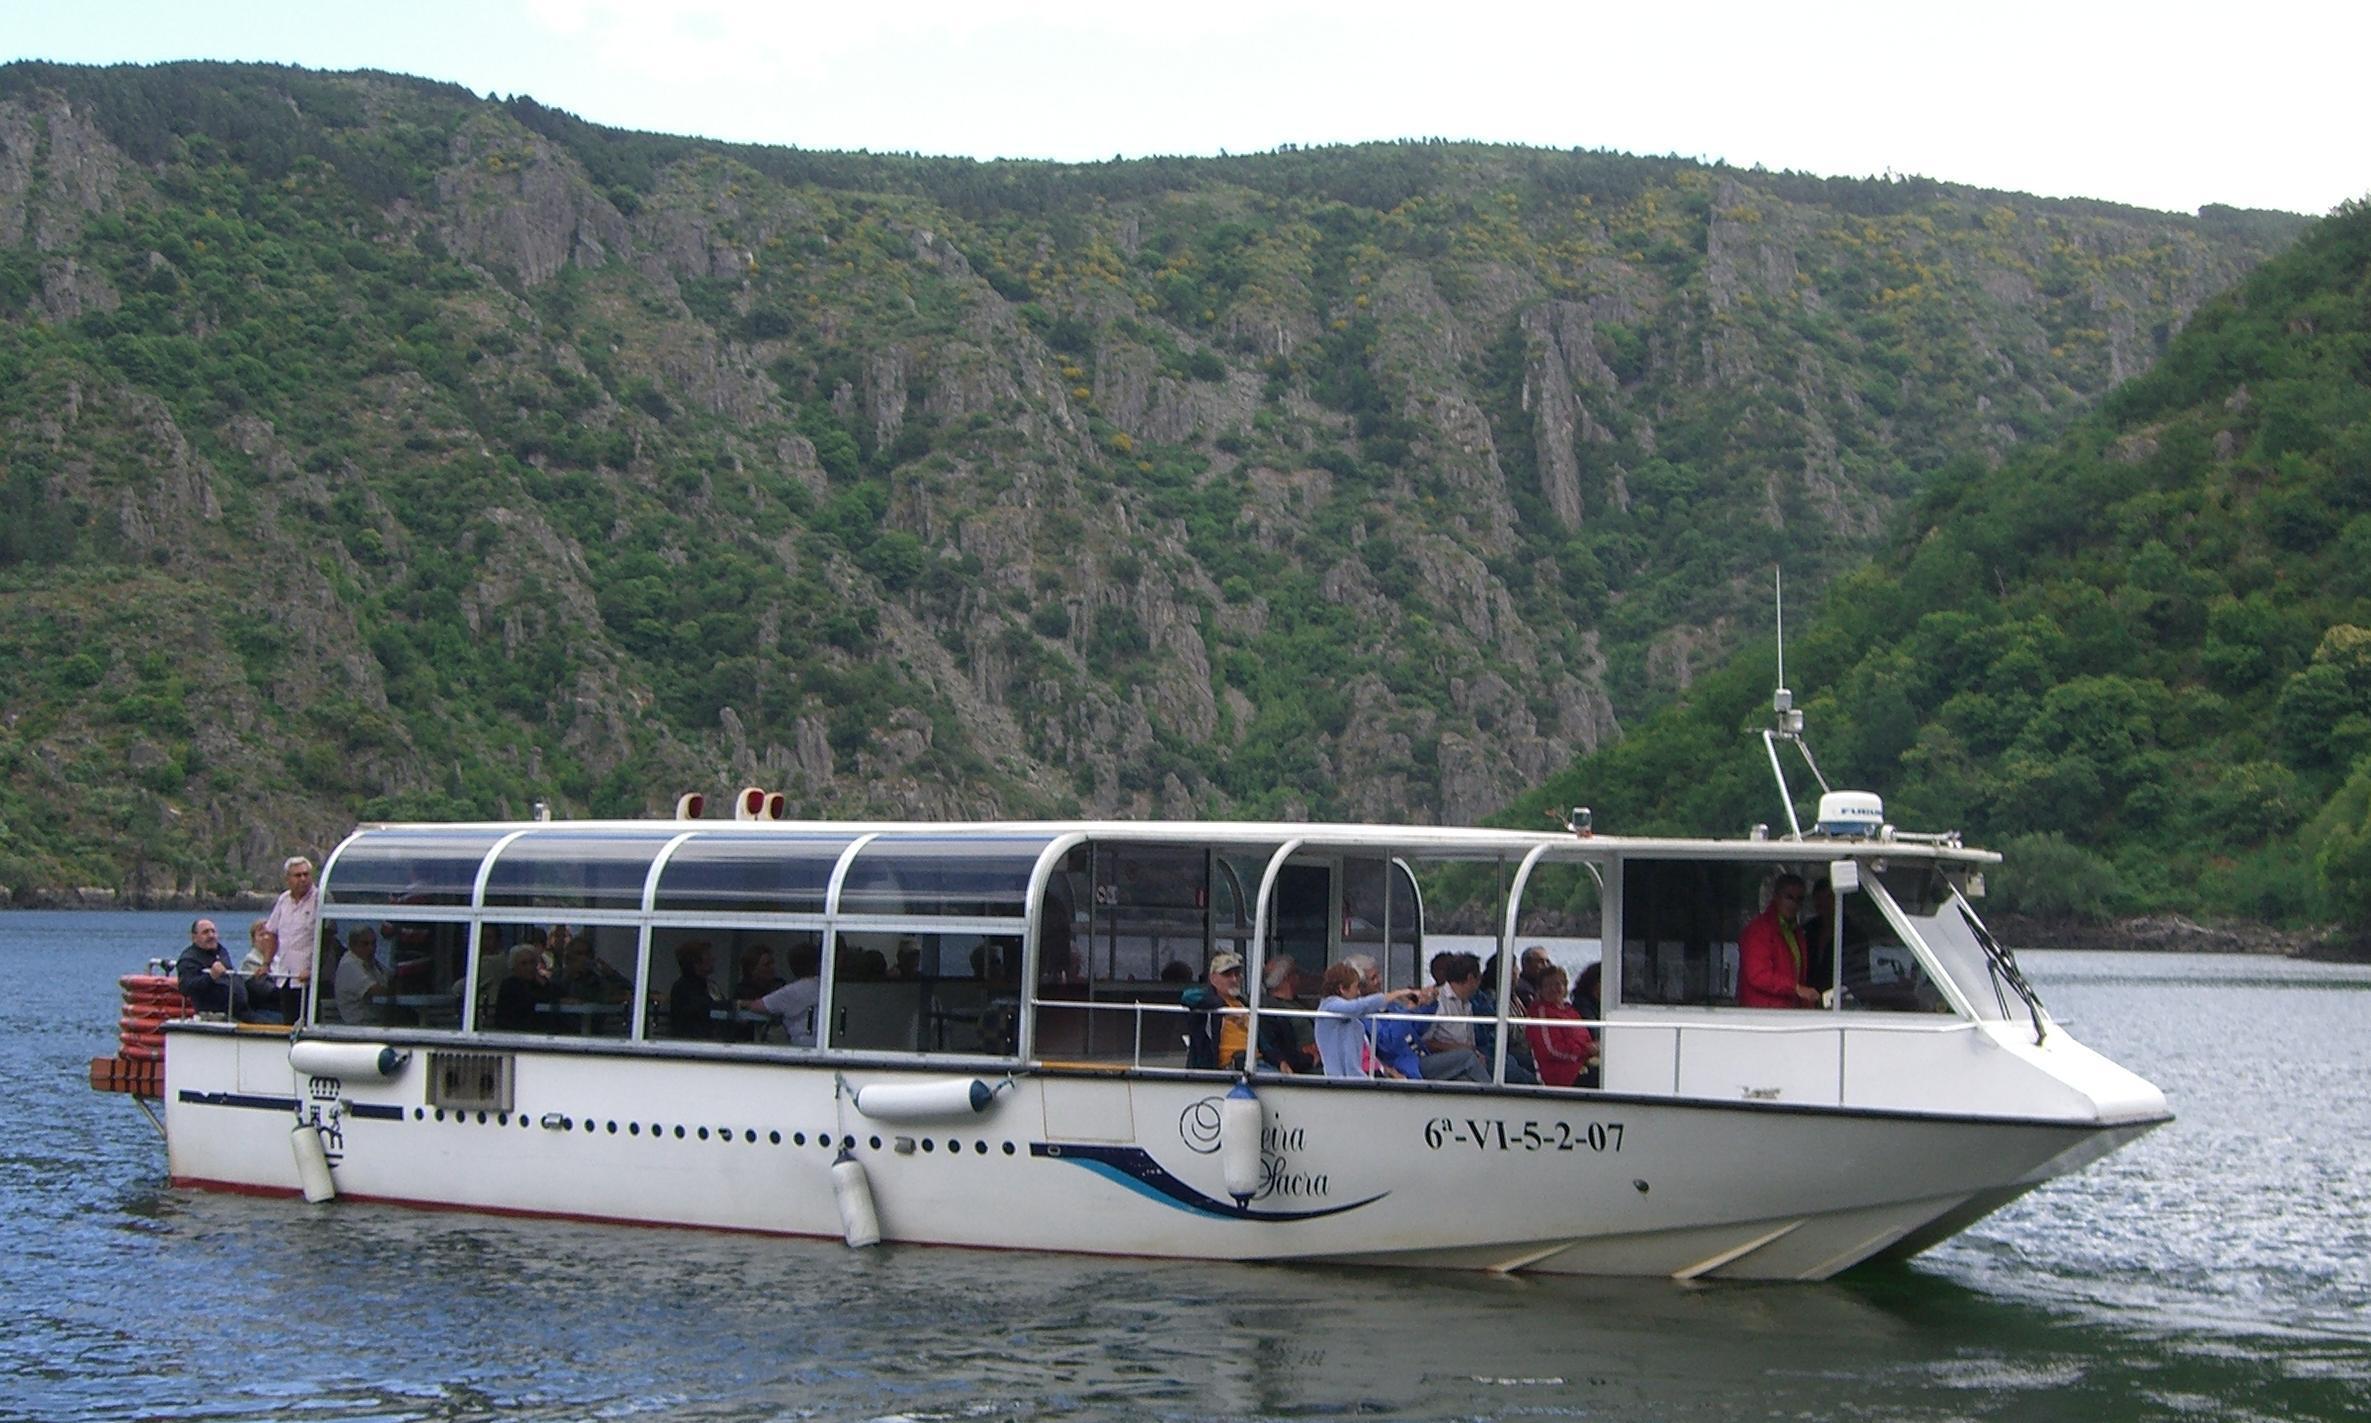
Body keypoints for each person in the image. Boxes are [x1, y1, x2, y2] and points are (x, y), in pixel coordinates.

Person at [1313, 956, 1427, 1078]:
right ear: (1342, 989)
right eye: (1355, 987)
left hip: (1359, 1076)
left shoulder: (1352, 1016)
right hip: (1342, 1078)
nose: (1358, 993)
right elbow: (1357, 1007)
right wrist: (1396, 994)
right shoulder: (1329, 1006)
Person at [1738, 874, 1819, 1008]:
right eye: (1789, 897)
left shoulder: (1796, 932)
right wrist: (1796, 988)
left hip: (1786, 1011)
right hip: (1761, 1014)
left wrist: (1803, 999)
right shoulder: (1758, 930)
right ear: (1776, 897)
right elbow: (1758, 975)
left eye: (1799, 899)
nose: (1794, 904)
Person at [175, 919, 276, 1022]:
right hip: (219, 1013)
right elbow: (185, 987)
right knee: (269, 1024)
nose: (211, 935)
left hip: (243, 1008)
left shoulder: (221, 951)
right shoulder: (189, 959)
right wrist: (210, 977)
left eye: (213, 931)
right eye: (205, 932)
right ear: (194, 937)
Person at [259, 856, 321, 1023]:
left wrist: (313, 968)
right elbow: (271, 932)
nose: (303, 879)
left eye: (306, 874)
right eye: (298, 875)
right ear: (288, 879)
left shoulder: (320, 899)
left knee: (307, 1022)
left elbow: (327, 937)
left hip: (309, 979)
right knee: (288, 1022)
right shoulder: (283, 900)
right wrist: (266, 963)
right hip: (285, 977)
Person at [1418, 951, 1491, 1083]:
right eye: (1479, 977)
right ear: (1470, 978)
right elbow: (1424, 1042)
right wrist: (1458, 1048)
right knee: (1468, 1058)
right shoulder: (1438, 1001)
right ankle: (1493, 1093)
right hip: (1434, 1059)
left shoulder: (1467, 1004)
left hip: (1461, 1061)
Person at [1524, 967, 1598, 1088]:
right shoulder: (1541, 1014)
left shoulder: (1571, 1011)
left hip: (1582, 1064)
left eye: (1558, 984)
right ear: (1540, 990)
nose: (1553, 989)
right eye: (1548, 985)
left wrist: (1594, 1048)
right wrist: (1584, 1051)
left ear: (1565, 987)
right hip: (1563, 1074)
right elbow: (1551, 1049)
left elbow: (1586, 1039)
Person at [742, 943, 822, 1047]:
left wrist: (741, 1003)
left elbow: (757, 1006)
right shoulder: (824, 987)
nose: (772, 967)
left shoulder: (791, 990)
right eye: (767, 964)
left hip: (803, 1044)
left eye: (772, 963)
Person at [1181, 952, 1249, 1070]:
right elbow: (1187, 996)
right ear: (1213, 978)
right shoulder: (1206, 1003)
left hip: (1258, 1061)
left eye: (1237, 974)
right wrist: (1225, 1009)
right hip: (1231, 1067)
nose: (1234, 979)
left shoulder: (1245, 1003)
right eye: (1227, 974)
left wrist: (1279, 1061)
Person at [1255, 955, 1321, 1074]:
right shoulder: (1271, 1009)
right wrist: (1309, 1057)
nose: (1299, 977)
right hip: (1305, 1067)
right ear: (1288, 977)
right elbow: (1280, 1045)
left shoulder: (1301, 1003)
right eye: (1296, 972)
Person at [334, 925, 388, 1026]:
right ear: (352, 945)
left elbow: (389, 977)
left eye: (373, 943)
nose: (371, 948)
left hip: (374, 1021)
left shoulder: (370, 962)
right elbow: (376, 991)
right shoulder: (349, 965)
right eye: (365, 944)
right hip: (358, 1025)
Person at [668, 940, 720, 1038]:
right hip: (691, 1041)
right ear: (695, 963)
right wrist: (735, 1005)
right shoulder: (683, 987)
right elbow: (704, 1008)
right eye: (708, 956)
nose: (713, 959)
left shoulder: (711, 986)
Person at [492, 943, 549, 1031]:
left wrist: (544, 984)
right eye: (524, 964)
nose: (529, 967)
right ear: (514, 967)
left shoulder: (541, 982)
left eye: (532, 962)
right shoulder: (509, 985)